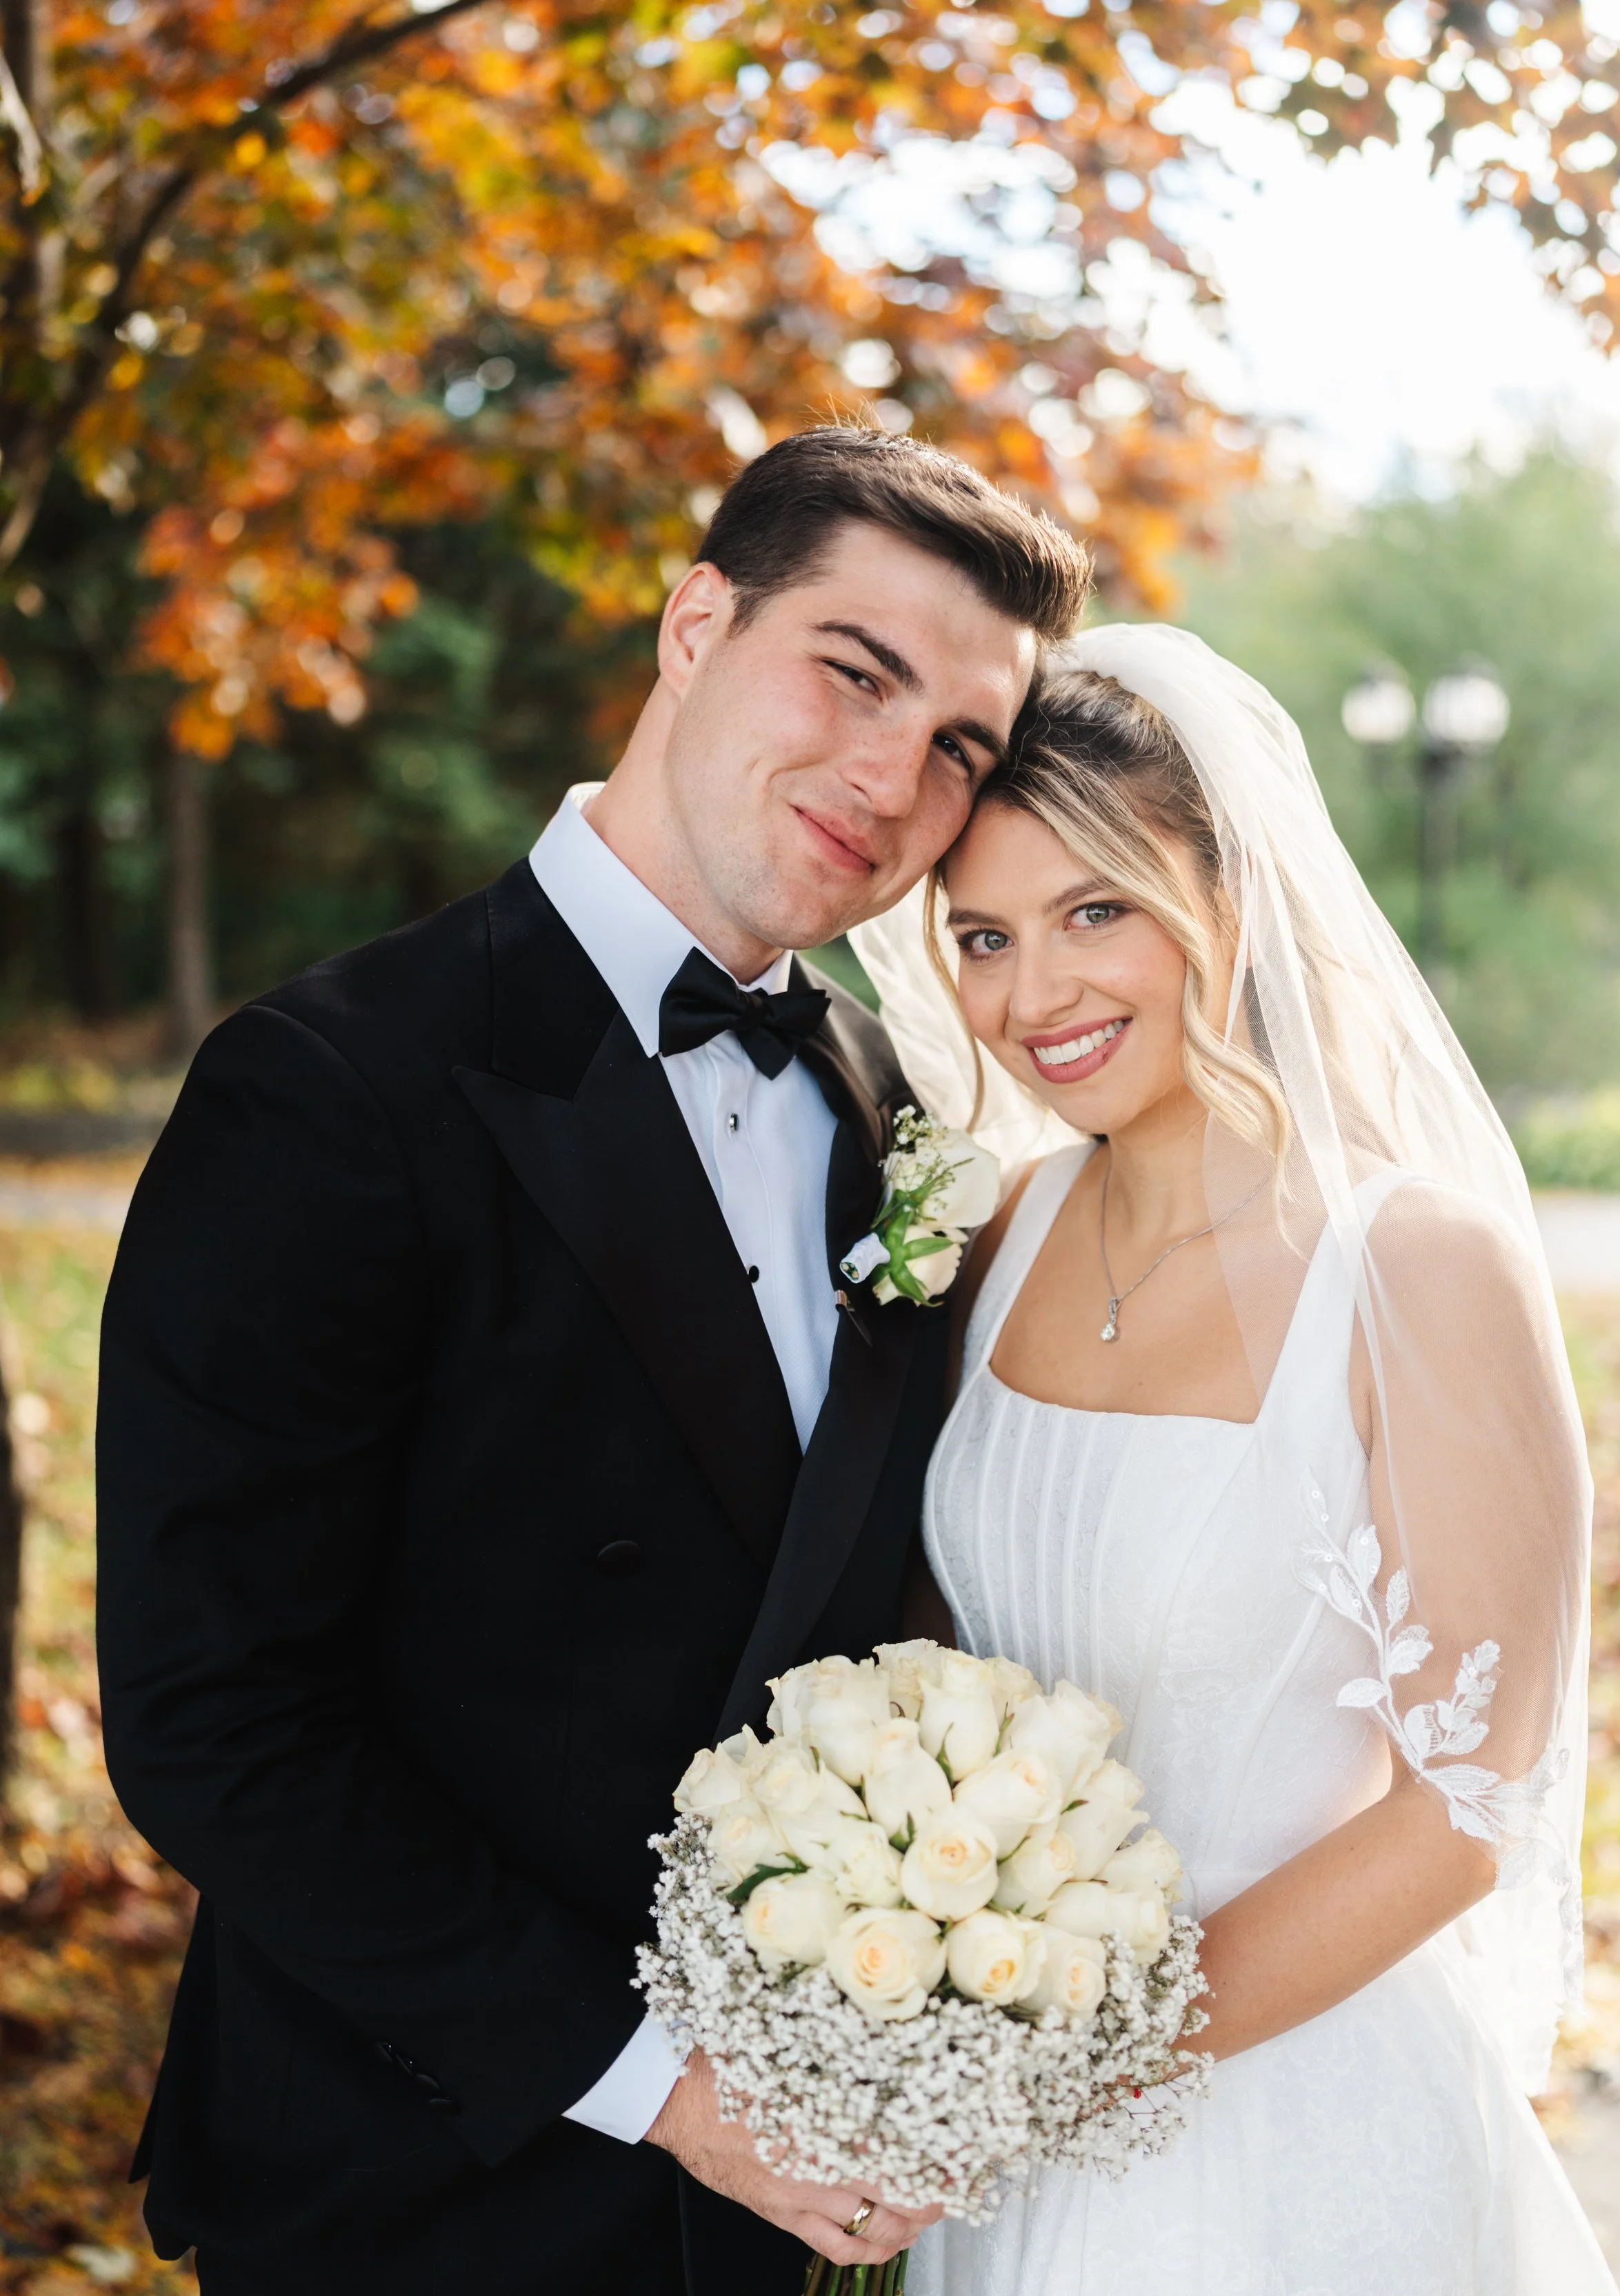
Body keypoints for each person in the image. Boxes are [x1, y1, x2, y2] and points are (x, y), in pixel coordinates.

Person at [94, 424, 1091, 2296]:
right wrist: (668, 2086)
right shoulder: (330, 1088)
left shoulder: (886, 1108)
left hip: (775, 2201)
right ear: (694, 622)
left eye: (960, 746)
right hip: (419, 2171)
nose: (892, 779)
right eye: (852, 673)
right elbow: (212, 1721)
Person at [851, 625, 1619, 2295]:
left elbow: (1463, 1807)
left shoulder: (1411, 1266)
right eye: (980, 936)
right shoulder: (998, 1233)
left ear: (1232, 898)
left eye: (1093, 912)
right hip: (989, 2137)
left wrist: (1071, 2065)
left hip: (1282, 2131)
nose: (1031, 995)